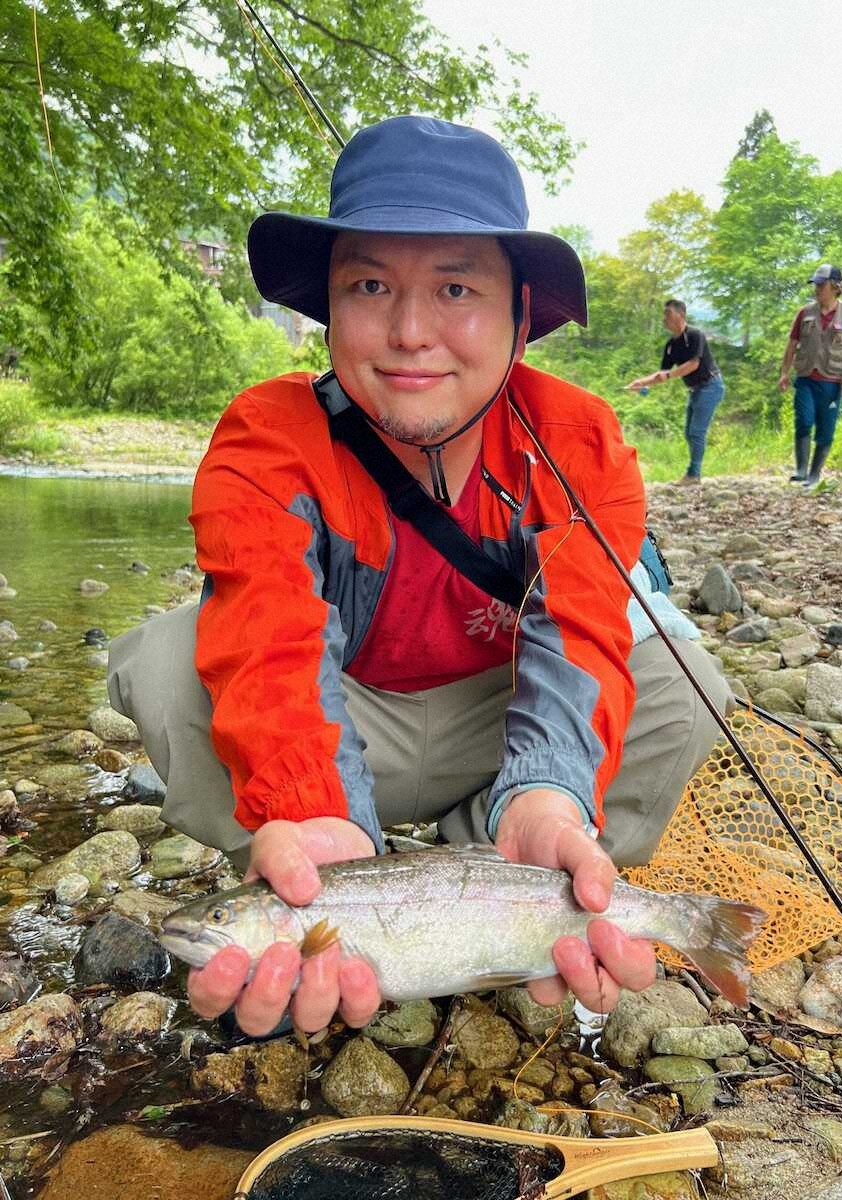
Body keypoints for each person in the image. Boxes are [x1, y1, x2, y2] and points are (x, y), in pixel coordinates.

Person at [108, 116, 731, 1041]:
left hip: (498, 733)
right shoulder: (267, 437)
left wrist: (548, 796)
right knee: (166, 661)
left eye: (455, 287)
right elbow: (269, 646)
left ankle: (493, 889)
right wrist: (317, 822)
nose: (408, 333)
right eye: (370, 285)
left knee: (686, 682)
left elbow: (584, 645)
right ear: (329, 306)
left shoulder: (580, 445)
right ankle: (314, 879)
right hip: (345, 727)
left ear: (522, 313)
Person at [778, 264, 842, 488]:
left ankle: (814, 475)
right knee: (803, 420)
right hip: (805, 378)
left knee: (826, 429)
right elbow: (791, 345)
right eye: (815, 285)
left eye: (821, 285)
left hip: (832, 381)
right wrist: (784, 373)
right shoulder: (805, 313)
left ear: (835, 287)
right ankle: (801, 470)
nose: (817, 289)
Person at [627, 300, 724, 485]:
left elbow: (693, 364)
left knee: (696, 432)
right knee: (689, 433)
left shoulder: (695, 335)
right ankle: (694, 472)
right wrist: (641, 383)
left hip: (711, 386)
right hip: (695, 389)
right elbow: (662, 373)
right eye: (664, 314)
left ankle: (693, 474)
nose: (665, 318)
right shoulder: (671, 345)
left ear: (681, 315)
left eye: (668, 314)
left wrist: (670, 375)